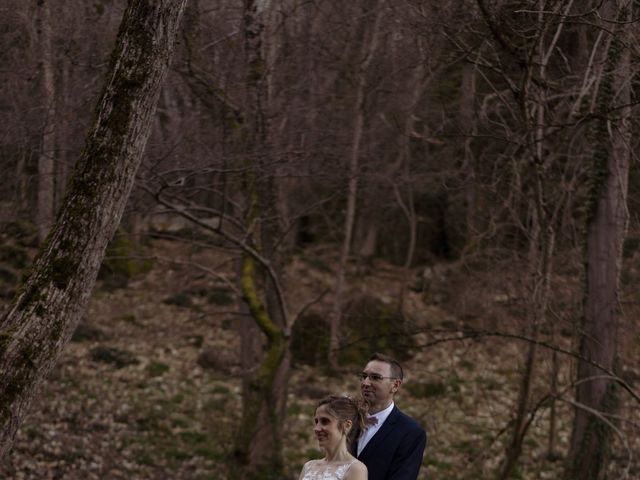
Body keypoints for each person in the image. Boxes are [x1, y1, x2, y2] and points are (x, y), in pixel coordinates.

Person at [354, 353, 426, 480]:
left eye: (375, 377)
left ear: (395, 385)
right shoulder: (348, 420)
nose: (365, 382)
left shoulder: (410, 432)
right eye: (364, 376)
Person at [299, 395, 368, 480]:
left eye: (325, 421)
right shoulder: (308, 467)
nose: (316, 428)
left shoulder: (355, 469)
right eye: (316, 422)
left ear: (347, 426)